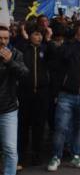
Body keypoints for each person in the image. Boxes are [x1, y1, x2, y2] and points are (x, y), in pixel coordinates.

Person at [48, 23, 80, 171]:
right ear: (77, 35)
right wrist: (76, 42)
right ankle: (56, 157)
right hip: (66, 95)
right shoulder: (66, 47)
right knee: (61, 128)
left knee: (79, 128)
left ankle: (75, 155)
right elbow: (64, 57)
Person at [0, 23, 28, 175]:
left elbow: (24, 74)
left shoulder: (16, 54)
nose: (3, 42)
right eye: (0, 39)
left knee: (10, 149)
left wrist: (10, 61)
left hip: (8, 109)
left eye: (6, 38)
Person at [16, 26, 49, 167]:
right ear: (29, 36)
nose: (39, 37)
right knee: (23, 126)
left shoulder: (45, 49)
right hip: (25, 93)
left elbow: (56, 56)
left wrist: (48, 38)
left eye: (40, 34)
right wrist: (22, 37)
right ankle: (21, 155)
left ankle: (37, 154)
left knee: (39, 126)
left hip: (41, 93)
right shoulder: (23, 49)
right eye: (36, 34)